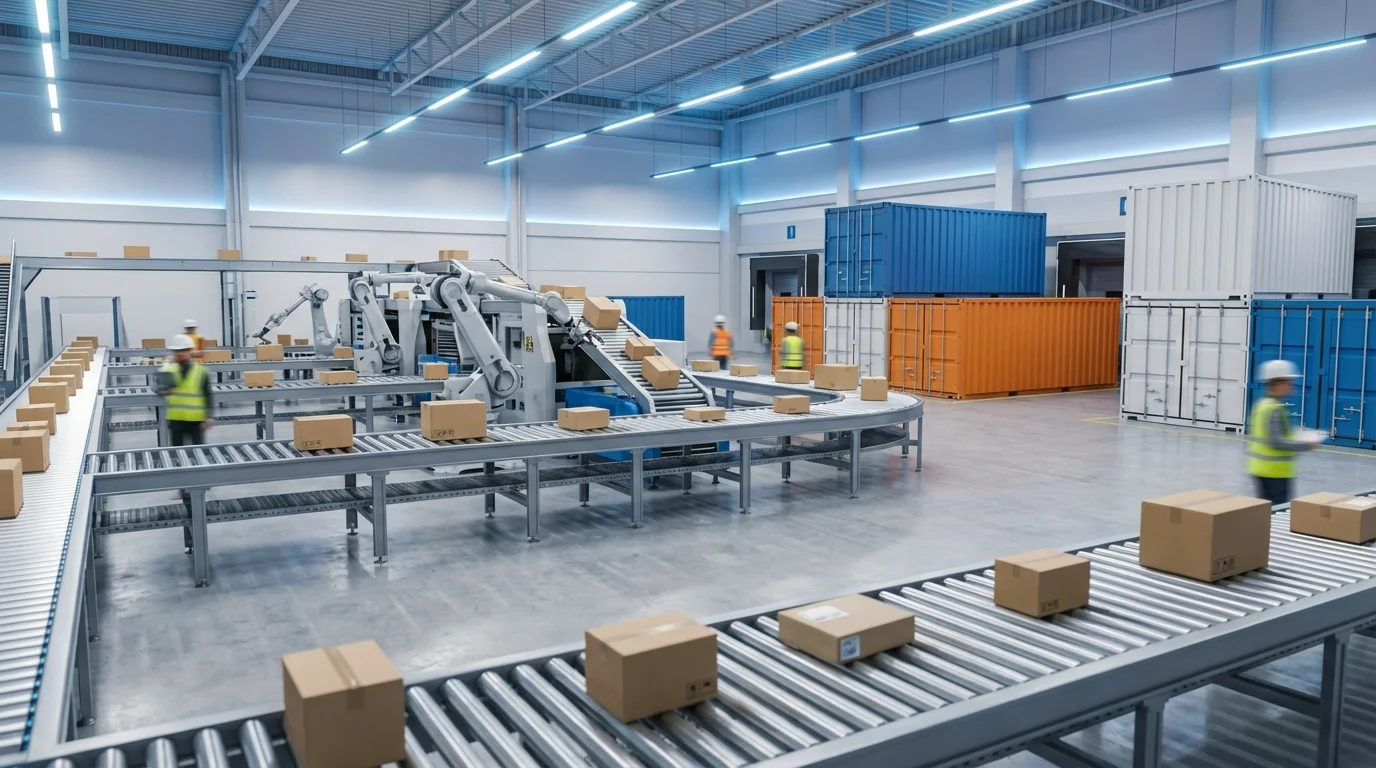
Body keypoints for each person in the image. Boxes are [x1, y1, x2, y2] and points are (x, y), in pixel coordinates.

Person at [159, 334, 214, 550]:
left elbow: (207, 394)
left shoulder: (201, 371)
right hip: (176, 420)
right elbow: (159, 388)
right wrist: (163, 390)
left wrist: (209, 415)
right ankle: (181, 488)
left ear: (190, 352)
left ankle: (200, 483)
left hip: (196, 420)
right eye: (177, 352)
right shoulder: (168, 369)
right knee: (178, 455)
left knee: (198, 454)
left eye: (183, 351)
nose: (180, 355)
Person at [1247, 359, 1321, 506]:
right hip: (1274, 472)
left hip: (1264, 470)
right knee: (1275, 511)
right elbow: (1276, 441)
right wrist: (1306, 445)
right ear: (1276, 383)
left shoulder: (1263, 405)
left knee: (1266, 511)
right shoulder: (1273, 408)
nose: (1291, 386)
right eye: (1288, 382)